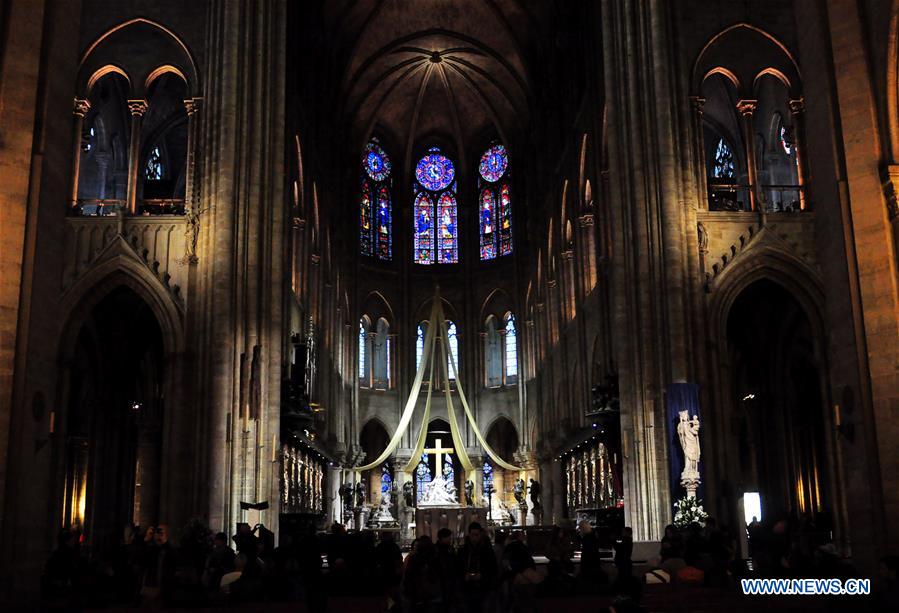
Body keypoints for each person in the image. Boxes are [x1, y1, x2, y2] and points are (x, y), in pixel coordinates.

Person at [458, 522, 497, 613]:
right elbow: (458, 567)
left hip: (483, 587)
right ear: (469, 535)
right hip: (468, 587)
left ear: (480, 535)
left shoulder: (487, 550)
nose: (474, 538)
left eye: (477, 535)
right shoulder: (464, 550)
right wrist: (464, 575)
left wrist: (482, 575)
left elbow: (493, 568)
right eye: (472, 535)